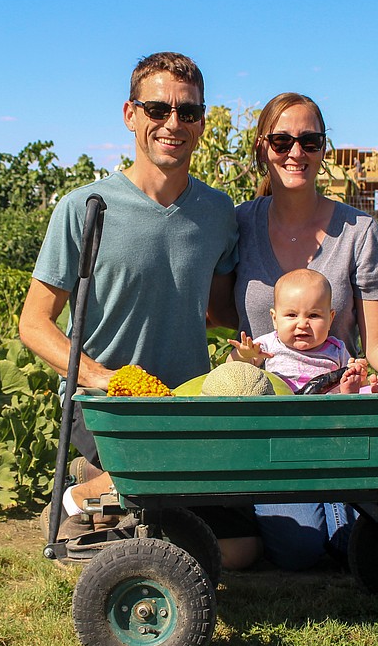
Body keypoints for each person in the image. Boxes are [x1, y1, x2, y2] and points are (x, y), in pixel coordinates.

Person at [18, 52, 261, 569]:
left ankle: (105, 493)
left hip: (184, 404)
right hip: (104, 403)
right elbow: (33, 323)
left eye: (188, 112)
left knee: (242, 550)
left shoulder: (218, 213)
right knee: (180, 512)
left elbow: (218, 312)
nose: (173, 124)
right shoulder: (85, 208)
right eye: (157, 109)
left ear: (201, 121)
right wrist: (98, 376)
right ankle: (103, 494)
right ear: (131, 114)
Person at [233, 92, 378, 571]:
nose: (295, 152)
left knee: (349, 540)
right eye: (282, 140)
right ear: (263, 147)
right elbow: (212, 309)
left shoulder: (358, 230)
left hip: (339, 418)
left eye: (309, 140)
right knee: (299, 551)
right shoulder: (238, 223)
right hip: (267, 427)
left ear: (324, 149)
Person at [228, 268, 378, 394]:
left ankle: (371, 393)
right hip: (282, 405)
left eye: (313, 316)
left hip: (327, 407)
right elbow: (232, 372)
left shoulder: (337, 349)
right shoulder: (267, 345)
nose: (302, 324)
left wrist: (358, 376)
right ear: (275, 319)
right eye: (291, 315)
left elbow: (352, 374)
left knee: (352, 389)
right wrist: (244, 355)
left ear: (330, 319)